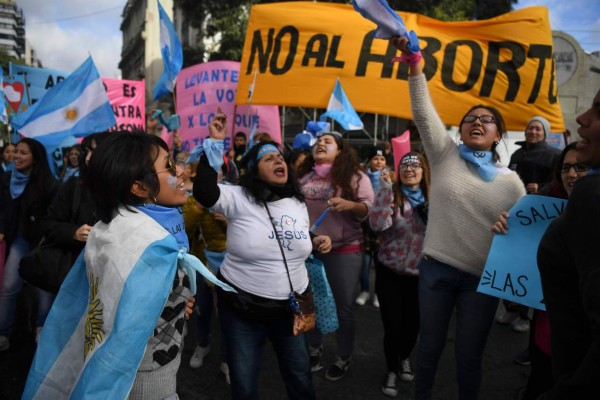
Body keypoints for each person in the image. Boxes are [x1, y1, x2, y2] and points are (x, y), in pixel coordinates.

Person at [22, 131, 219, 399]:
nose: (182, 171)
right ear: (139, 188)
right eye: (169, 166)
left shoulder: (115, 226)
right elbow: (128, 324)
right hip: (143, 380)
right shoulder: (149, 245)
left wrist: (176, 302)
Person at [390, 36, 526, 400]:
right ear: (460, 130)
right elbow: (422, 111)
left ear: (499, 134)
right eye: (470, 119)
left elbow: (525, 239)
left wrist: (507, 231)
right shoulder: (445, 154)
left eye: (487, 120)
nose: (477, 122)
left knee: (469, 355)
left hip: (481, 281)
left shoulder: (513, 184)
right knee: (429, 347)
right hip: (436, 271)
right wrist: (415, 63)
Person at [193, 112, 332, 399]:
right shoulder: (238, 196)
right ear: (255, 170)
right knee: (244, 384)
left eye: (279, 157)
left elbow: (292, 234)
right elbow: (205, 192)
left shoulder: (296, 200)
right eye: (269, 159)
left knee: (300, 379)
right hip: (243, 312)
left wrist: (314, 239)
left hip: (290, 309)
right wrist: (215, 143)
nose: (278, 161)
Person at [491, 141, 588, 399]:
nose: (572, 174)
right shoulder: (542, 205)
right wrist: (506, 231)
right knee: (541, 378)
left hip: (584, 336)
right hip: (545, 324)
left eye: (582, 166)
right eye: (566, 167)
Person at [535, 88, 600, 399]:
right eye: (565, 168)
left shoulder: (592, 196)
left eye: (599, 110)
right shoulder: (548, 201)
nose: (582, 118)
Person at [297, 131, 374, 381]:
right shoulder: (303, 176)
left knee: (343, 308)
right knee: (311, 303)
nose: (320, 143)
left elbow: (369, 208)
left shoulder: (355, 176)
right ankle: (313, 349)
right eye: (318, 141)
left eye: (327, 141)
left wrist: (350, 205)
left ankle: (343, 356)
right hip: (309, 251)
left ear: (340, 150)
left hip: (345, 251)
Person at [370, 151, 430, 397]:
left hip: (421, 276)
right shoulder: (392, 195)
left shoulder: (434, 199)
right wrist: (384, 191)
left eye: (415, 166)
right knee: (393, 327)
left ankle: (404, 356)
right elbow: (376, 225)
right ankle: (392, 369)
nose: (409, 169)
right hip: (390, 274)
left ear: (424, 171)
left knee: (412, 327)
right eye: (405, 165)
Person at [497, 116, 561, 334]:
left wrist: (541, 186)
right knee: (509, 262)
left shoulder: (554, 155)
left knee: (529, 265)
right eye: (530, 127)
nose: (533, 131)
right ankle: (511, 308)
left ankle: (525, 314)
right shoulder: (517, 153)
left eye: (537, 128)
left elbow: (560, 182)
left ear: (545, 132)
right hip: (515, 213)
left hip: (538, 217)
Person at [0, 138, 58, 352]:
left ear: (35, 158)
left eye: (23, 152)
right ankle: (3, 334)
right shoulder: (6, 179)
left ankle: (41, 328)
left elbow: (53, 216)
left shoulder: (48, 184)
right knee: (8, 287)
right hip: (19, 241)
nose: (16, 156)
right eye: (15, 151)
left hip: (42, 243)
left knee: (43, 289)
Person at [355, 145, 388, 308]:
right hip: (365, 226)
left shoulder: (389, 177)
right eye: (376, 158)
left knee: (380, 263)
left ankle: (378, 294)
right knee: (365, 263)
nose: (379, 162)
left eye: (382, 159)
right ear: (370, 161)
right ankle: (365, 290)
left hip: (382, 228)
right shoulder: (363, 178)